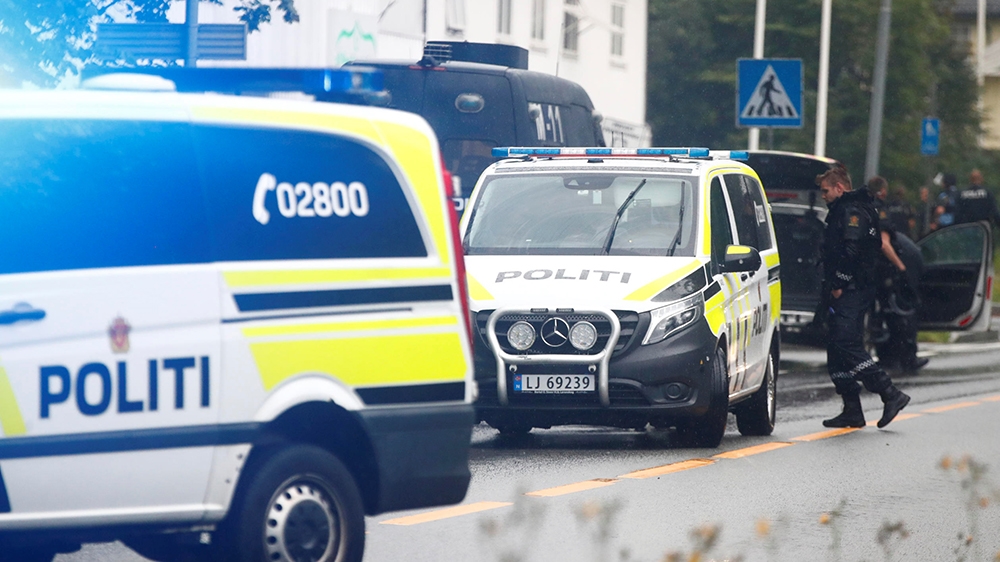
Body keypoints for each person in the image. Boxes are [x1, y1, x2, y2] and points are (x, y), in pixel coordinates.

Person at [817, 166, 911, 428]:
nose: (823, 196)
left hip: (853, 288)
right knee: (836, 348)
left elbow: (851, 251)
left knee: (846, 342)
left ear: (839, 188)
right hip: (847, 288)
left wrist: (839, 283)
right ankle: (852, 408)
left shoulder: (852, 211)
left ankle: (890, 393)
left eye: (826, 190)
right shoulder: (845, 209)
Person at [866, 176, 928, 373]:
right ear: (883, 191)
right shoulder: (880, 209)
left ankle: (886, 357)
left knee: (881, 314)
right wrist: (901, 266)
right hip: (884, 270)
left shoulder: (861, 207)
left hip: (868, 270)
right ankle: (906, 359)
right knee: (900, 314)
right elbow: (884, 243)